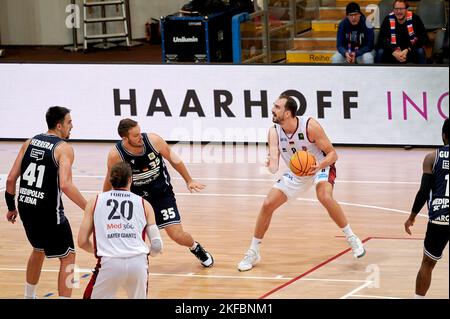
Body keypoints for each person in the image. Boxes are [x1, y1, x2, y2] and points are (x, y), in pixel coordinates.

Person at [237, 94, 365, 272]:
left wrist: (318, 165)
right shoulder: (274, 131)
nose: (272, 109)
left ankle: (352, 238)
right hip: (296, 172)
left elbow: (333, 154)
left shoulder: (309, 126)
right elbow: (274, 165)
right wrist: (270, 163)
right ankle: (253, 251)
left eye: (277, 107)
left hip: (320, 165)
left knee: (324, 196)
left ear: (288, 113)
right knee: (267, 204)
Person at [103, 119, 214, 267]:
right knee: (132, 235)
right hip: (137, 199)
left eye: (140, 132)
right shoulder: (115, 155)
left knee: (177, 235)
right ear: (125, 138)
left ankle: (195, 247)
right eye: (135, 135)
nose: (140, 137)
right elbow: (110, 179)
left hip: (162, 193)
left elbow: (174, 160)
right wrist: (103, 201)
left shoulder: (153, 140)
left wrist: (189, 180)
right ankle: (134, 264)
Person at [4, 106, 87, 298]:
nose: (72, 126)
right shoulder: (63, 148)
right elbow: (66, 185)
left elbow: (10, 180)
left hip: (26, 208)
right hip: (48, 211)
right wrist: (88, 207)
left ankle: (29, 295)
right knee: (68, 257)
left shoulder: (29, 142)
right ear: (59, 126)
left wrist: (11, 207)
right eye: (69, 122)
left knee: (38, 249)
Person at [79, 162, 163, 299]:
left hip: (109, 263)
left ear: (110, 179)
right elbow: (157, 245)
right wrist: (152, 253)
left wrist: (103, 248)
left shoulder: (94, 201)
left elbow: (82, 242)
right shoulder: (144, 204)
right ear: (131, 179)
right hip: (138, 263)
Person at [404, 118, 449, 299]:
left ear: (443, 135)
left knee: (428, 263)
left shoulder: (432, 157)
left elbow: (423, 192)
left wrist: (412, 216)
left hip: (440, 216)